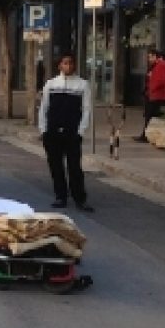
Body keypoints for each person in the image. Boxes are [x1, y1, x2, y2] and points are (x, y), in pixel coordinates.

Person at [38, 53, 93, 212]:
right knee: (56, 166)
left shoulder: (82, 85)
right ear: (59, 66)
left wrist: (81, 131)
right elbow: (44, 108)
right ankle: (60, 196)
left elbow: (87, 109)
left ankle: (79, 198)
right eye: (65, 63)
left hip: (72, 132)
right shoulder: (51, 84)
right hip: (53, 131)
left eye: (70, 63)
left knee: (74, 166)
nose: (68, 66)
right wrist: (43, 129)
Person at [134, 50, 165, 142]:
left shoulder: (161, 65)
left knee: (150, 116)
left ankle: (146, 135)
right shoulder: (157, 66)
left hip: (157, 96)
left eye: (151, 57)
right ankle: (146, 135)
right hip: (154, 95)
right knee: (150, 116)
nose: (149, 59)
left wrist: (151, 88)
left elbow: (160, 81)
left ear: (156, 56)